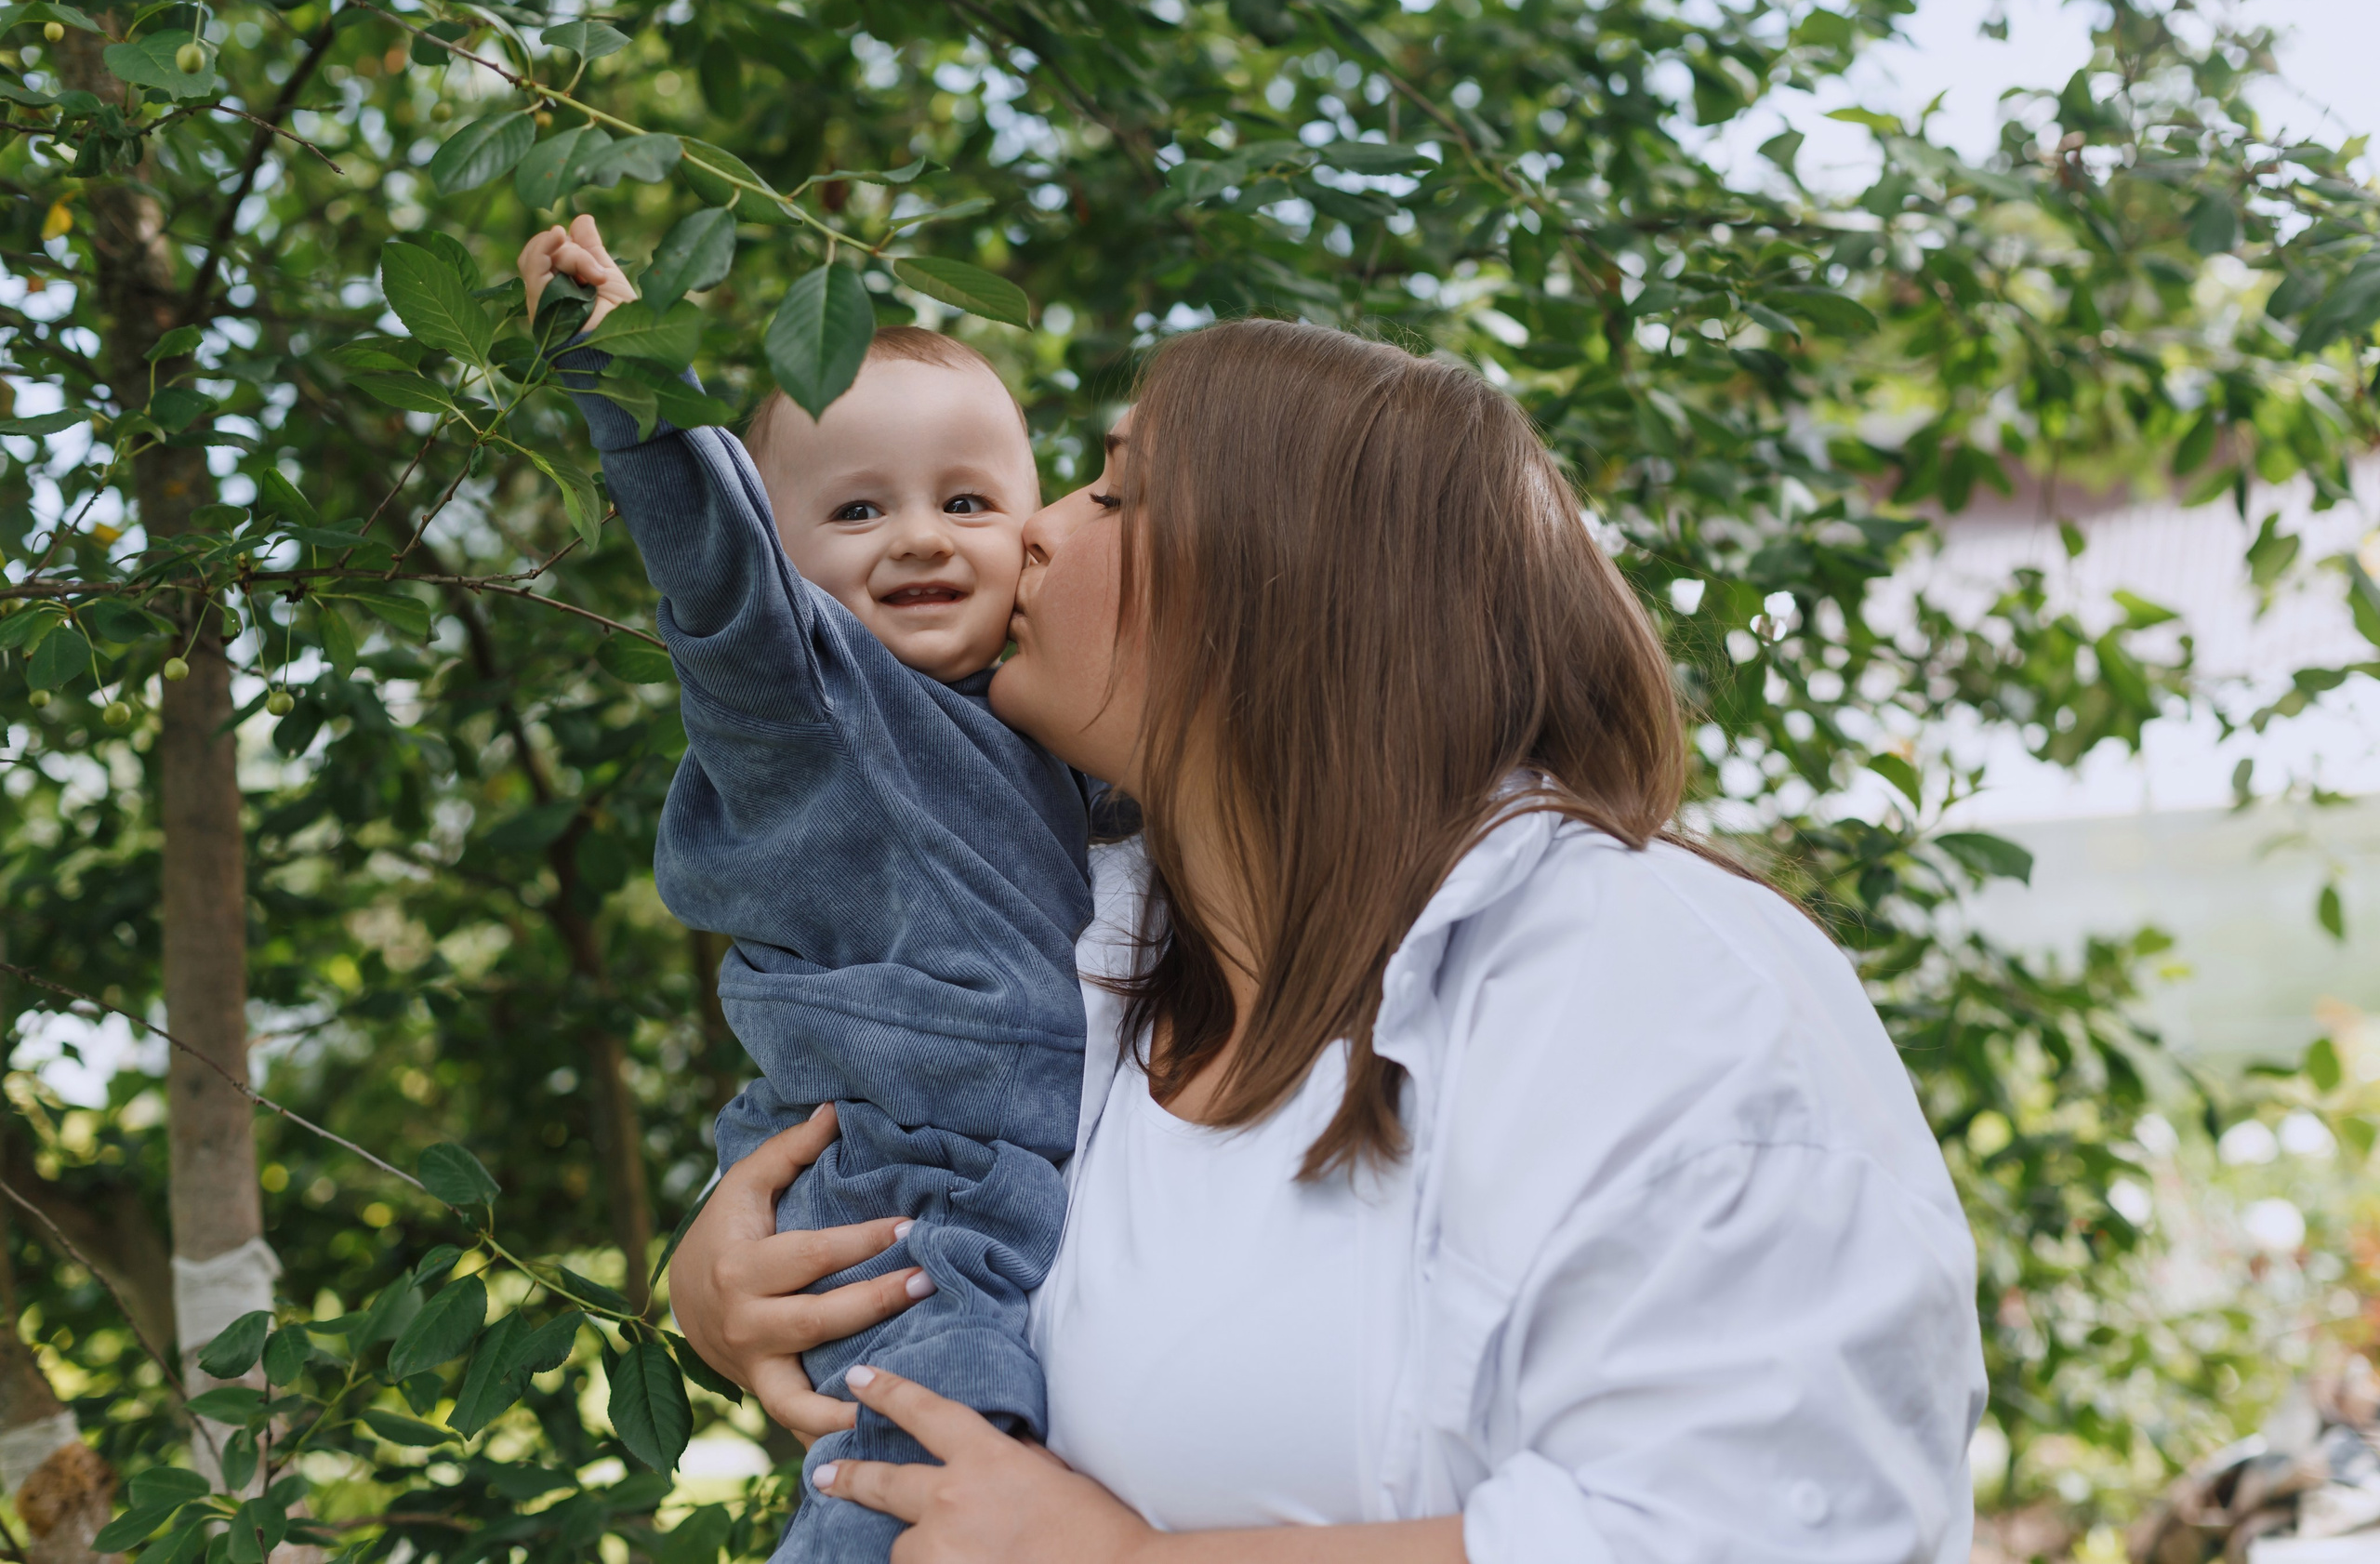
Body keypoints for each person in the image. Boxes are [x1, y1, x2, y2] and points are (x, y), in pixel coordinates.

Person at [667, 316, 1990, 1562]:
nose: (1037, 535)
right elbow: (931, 1170)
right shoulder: (1101, 948)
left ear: (1287, 582)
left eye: (1114, 496)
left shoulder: (1660, 982)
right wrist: (745, 1274)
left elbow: (1766, 1533)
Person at [516, 219, 1094, 1564]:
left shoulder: (1060, 740)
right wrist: (622, 376)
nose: (917, 538)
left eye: (966, 502)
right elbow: (714, 580)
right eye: (853, 508)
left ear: (1037, 532)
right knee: (910, 1474)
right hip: (906, 1195)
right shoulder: (813, 711)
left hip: (1004, 1192)